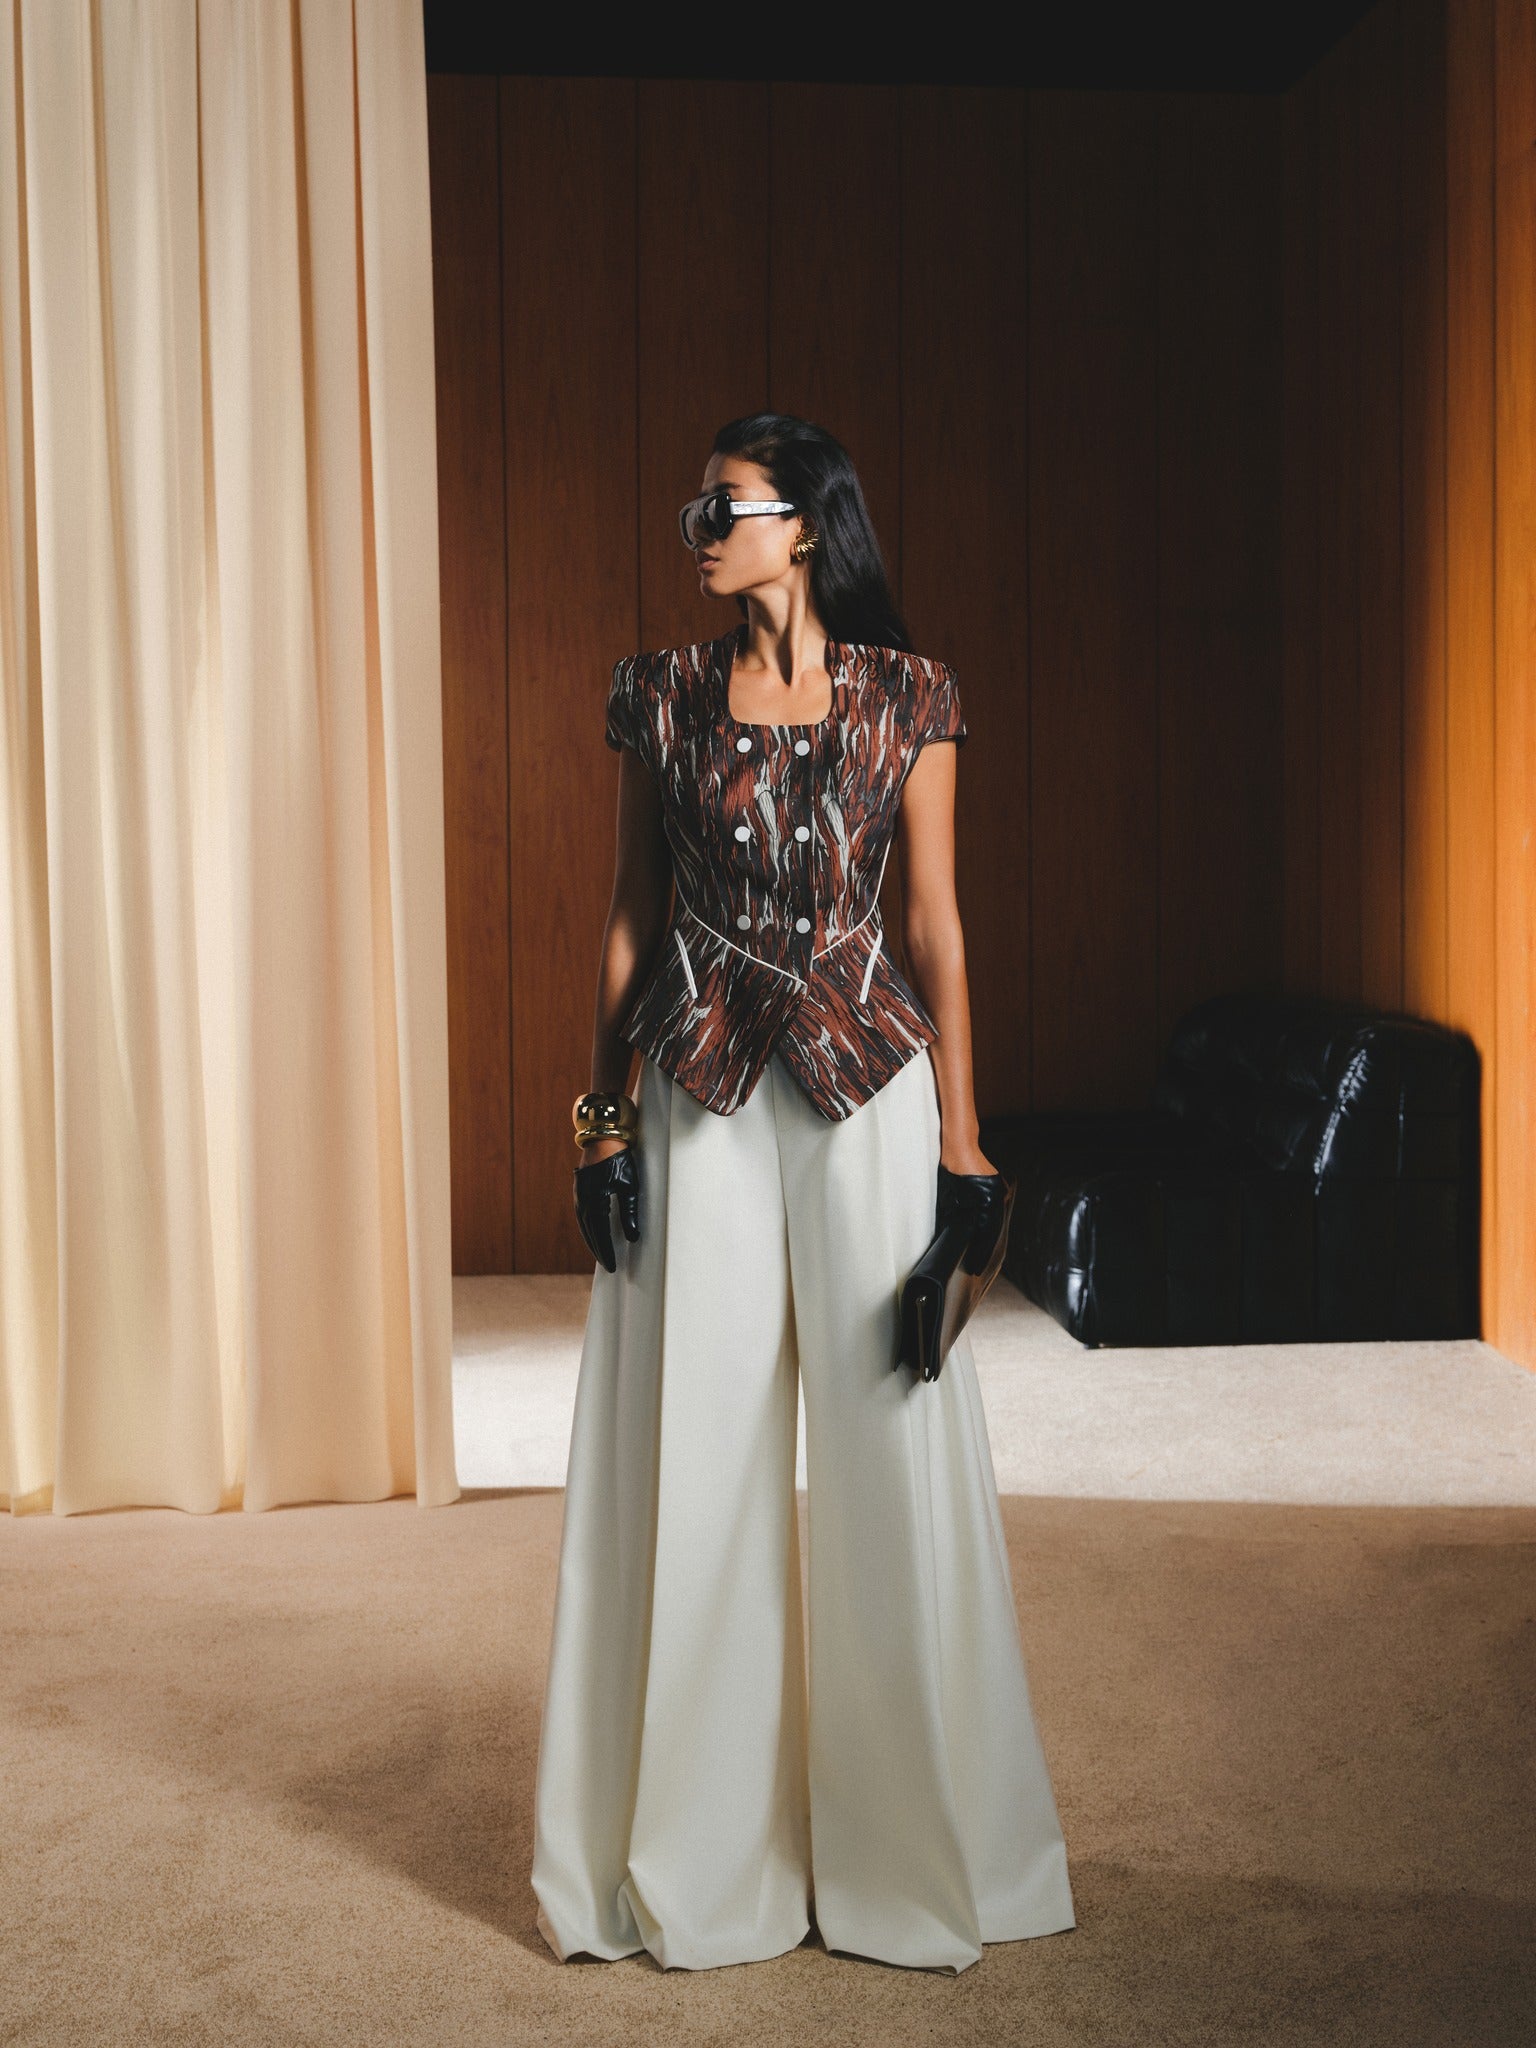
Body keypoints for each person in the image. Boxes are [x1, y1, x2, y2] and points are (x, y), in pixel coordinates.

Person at [530, 413, 1075, 1974]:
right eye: (694, 502)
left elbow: (941, 929)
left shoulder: (914, 697)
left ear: (808, 525)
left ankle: (919, 1851)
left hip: (871, 1094)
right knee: (690, 1467)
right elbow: (631, 919)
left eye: (726, 503)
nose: (697, 526)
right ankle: (706, 1864)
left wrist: (968, 1153)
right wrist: (596, 1120)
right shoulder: (658, 692)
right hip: (696, 1087)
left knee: (889, 1459)